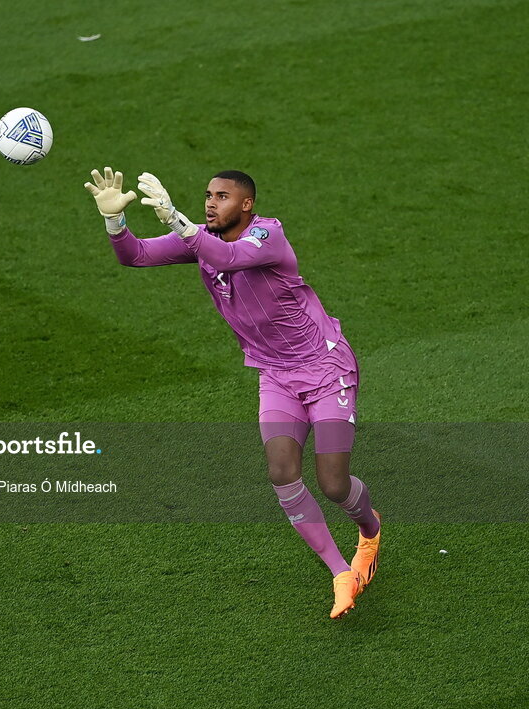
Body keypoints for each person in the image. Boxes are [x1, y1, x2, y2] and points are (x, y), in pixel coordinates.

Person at [85, 167, 381, 618]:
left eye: (221, 196)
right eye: (207, 195)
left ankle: (370, 530)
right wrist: (114, 222)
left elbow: (228, 258)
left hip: (325, 368)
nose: (210, 203)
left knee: (333, 483)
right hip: (275, 375)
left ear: (246, 205)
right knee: (282, 471)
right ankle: (340, 572)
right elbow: (136, 256)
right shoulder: (201, 237)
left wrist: (174, 218)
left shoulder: (268, 237)